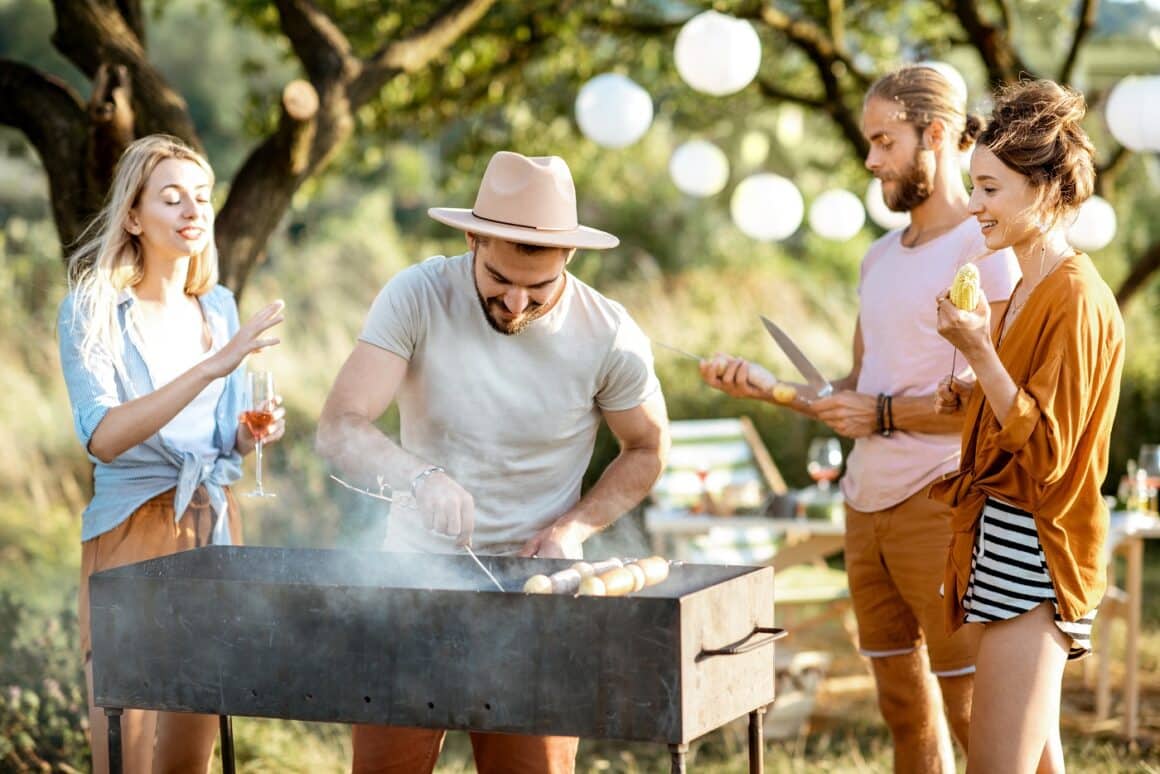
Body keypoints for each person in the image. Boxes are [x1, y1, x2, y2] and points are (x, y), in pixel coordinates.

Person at [700, 65, 1020, 772]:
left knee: (974, 717)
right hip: (862, 506)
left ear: (935, 135)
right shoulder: (878, 258)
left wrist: (877, 413)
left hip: (940, 505)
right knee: (902, 711)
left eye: (885, 141)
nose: (872, 159)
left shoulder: (983, 246)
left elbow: (991, 403)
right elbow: (854, 385)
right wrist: (769, 388)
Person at [316, 150, 669, 774]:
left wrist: (573, 529)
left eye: (538, 288)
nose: (514, 303)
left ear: (570, 256)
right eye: (499, 280)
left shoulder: (609, 332)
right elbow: (341, 426)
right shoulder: (418, 295)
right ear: (474, 237)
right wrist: (419, 476)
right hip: (414, 580)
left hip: (539, 594)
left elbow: (646, 449)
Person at [58, 134, 286, 774]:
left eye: (203, 197)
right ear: (133, 216)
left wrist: (248, 436)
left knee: (191, 749)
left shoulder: (218, 306)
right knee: (124, 750)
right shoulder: (92, 310)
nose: (194, 210)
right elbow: (102, 436)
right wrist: (215, 366)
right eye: (172, 198)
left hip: (212, 526)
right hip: (133, 530)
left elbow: (221, 440)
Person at [932, 79, 1124, 773]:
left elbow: (1046, 451)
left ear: (1043, 190)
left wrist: (979, 351)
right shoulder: (1027, 287)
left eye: (988, 189)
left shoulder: (1076, 296)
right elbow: (1022, 408)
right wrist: (974, 383)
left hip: (1037, 556)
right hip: (1005, 544)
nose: (974, 206)